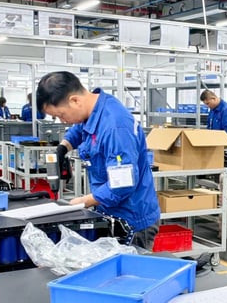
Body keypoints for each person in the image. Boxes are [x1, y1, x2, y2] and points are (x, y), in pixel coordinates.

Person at [37, 72, 159, 250]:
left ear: (75, 100)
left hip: (132, 220)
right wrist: (62, 149)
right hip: (110, 212)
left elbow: (122, 185)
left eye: (61, 115)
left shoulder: (115, 127)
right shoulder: (94, 108)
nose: (63, 121)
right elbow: (79, 129)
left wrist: (81, 202)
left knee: (128, 274)